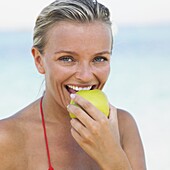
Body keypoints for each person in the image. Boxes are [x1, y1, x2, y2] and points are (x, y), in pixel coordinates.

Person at [0, 0, 146, 169]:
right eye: (67, 59)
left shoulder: (123, 127)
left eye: (99, 59)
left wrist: (112, 156)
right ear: (39, 61)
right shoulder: (7, 139)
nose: (85, 76)